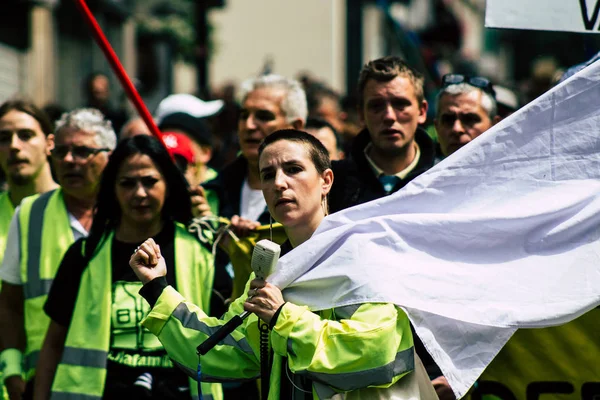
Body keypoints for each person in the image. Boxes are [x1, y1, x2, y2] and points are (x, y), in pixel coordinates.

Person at [130, 130, 438, 399]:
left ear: (326, 181)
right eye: (267, 174)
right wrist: (157, 287)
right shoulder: (274, 272)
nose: (279, 183)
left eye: (293, 169)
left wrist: (282, 317)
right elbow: (223, 349)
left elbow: (378, 352)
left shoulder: (360, 256)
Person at [33, 135, 221, 400]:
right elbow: (53, 343)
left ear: (168, 184)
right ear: (113, 189)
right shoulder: (85, 255)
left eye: (150, 181)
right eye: (127, 183)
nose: (139, 193)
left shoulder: (201, 252)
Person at [0, 108, 115, 398]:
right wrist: (11, 371)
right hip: (43, 382)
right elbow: (10, 305)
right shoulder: (29, 215)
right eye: (61, 151)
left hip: (115, 379)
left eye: (81, 151)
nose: (68, 160)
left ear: (109, 157)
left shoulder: (128, 216)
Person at [0, 99, 58, 399]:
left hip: (56, 380)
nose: (13, 145)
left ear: (49, 143)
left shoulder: (81, 214)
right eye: (3, 138)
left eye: (25, 135)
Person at [328, 56, 437, 213]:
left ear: (422, 111)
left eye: (400, 104)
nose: (389, 116)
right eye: (377, 106)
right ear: (361, 115)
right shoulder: (332, 184)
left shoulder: (442, 180)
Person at [434, 73, 500, 160]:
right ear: (437, 127)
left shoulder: (515, 172)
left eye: (469, 119)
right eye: (448, 120)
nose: (457, 129)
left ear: (494, 126)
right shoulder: (421, 173)